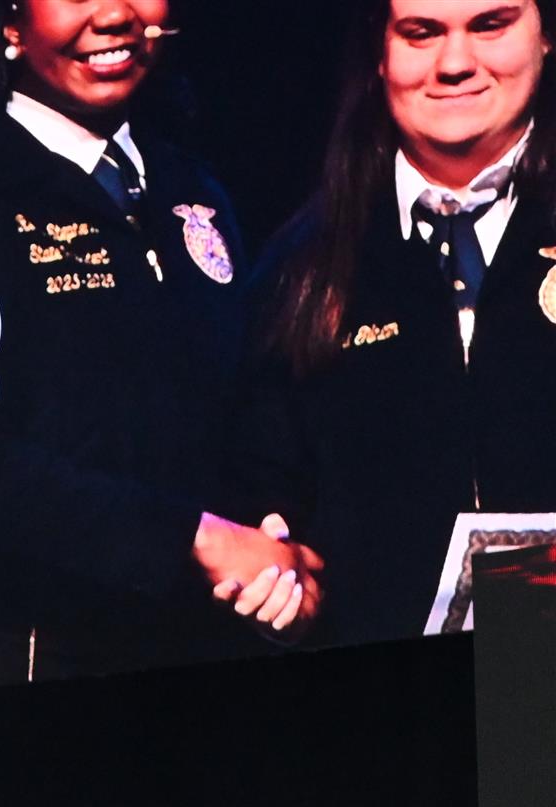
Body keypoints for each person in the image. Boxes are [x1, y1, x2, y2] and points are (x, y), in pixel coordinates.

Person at [0, 0, 320, 680]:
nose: (113, 13)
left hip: (199, 638)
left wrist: (275, 552)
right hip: (31, 648)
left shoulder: (193, 187)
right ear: (11, 22)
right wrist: (189, 538)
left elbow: (247, 406)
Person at [238, 0, 556, 647]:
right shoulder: (302, 265)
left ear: (546, 35)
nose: (456, 62)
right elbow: (266, 490)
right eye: (421, 33)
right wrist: (284, 570)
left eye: (489, 25)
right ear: (379, 55)